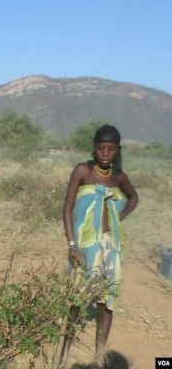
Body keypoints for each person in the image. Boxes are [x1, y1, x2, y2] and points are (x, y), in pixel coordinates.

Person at [62, 124, 138, 368]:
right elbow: (67, 208)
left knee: (108, 301)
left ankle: (99, 357)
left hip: (111, 247)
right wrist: (72, 244)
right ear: (94, 149)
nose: (105, 153)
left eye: (111, 148)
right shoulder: (82, 171)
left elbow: (133, 197)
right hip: (85, 246)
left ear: (118, 150)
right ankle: (63, 350)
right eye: (100, 148)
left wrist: (119, 217)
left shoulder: (119, 178)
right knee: (76, 300)